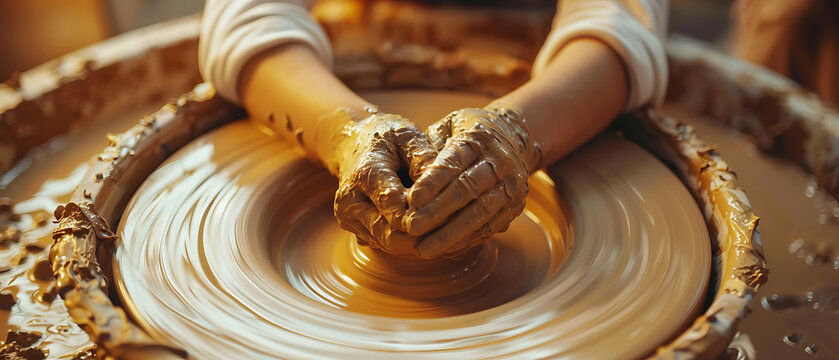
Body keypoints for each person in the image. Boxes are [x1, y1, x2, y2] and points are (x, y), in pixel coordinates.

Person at [199, 0, 668, 259]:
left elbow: (621, 22)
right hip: (351, 36)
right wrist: (348, 132)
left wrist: (514, 134)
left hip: (553, 59)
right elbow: (247, 17)